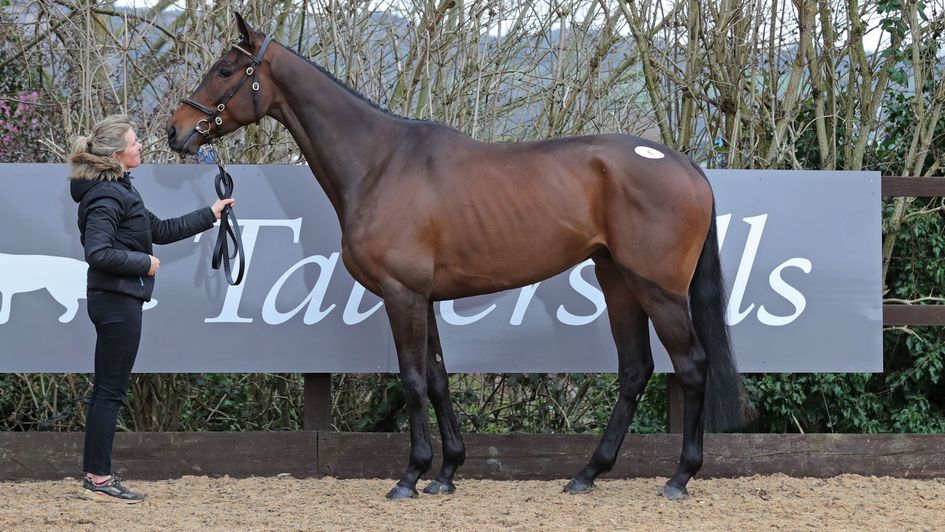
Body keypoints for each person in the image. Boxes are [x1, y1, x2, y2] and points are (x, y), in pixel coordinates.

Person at [68, 114, 234, 503]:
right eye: (134, 141)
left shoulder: (120, 189)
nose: (140, 145)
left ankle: (97, 475)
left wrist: (210, 214)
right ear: (116, 153)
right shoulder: (107, 195)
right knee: (110, 392)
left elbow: (158, 230)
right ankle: (98, 477)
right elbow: (97, 252)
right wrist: (143, 263)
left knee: (108, 390)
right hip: (116, 300)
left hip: (119, 299)